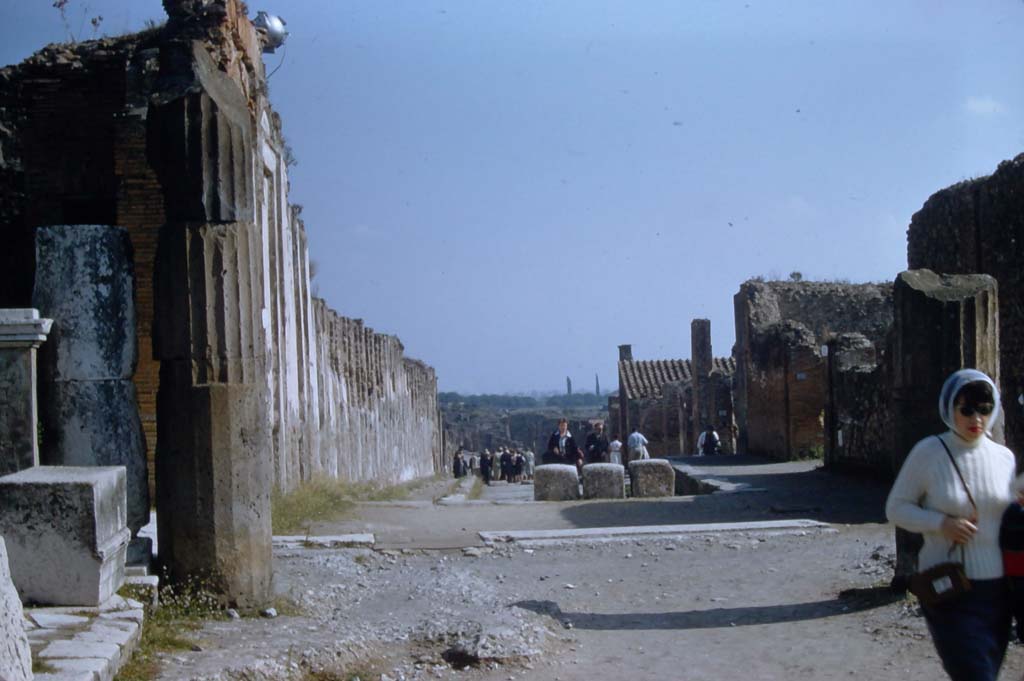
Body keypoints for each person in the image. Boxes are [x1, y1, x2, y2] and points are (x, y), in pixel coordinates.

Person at [886, 369, 1021, 681]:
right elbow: (895, 508)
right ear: (950, 408)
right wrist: (940, 523)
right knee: (975, 674)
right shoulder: (929, 452)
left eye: (985, 409)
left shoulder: (1004, 457)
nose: (977, 418)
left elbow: (1007, 518)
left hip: (998, 591)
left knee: (987, 670)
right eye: (967, 409)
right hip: (950, 588)